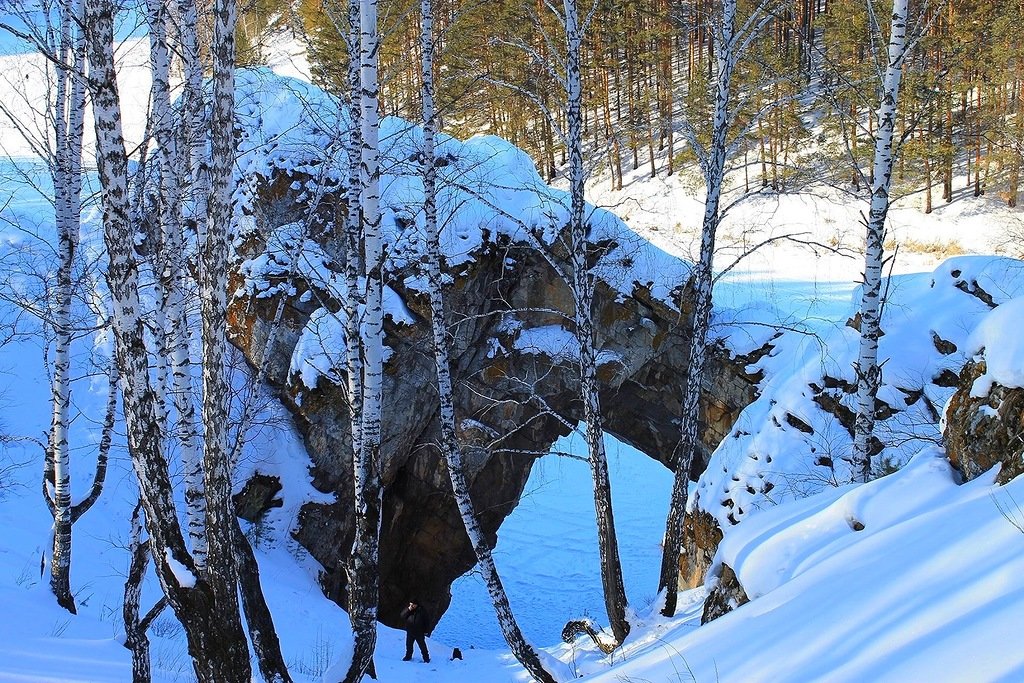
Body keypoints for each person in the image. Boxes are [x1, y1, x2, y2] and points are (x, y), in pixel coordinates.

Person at [400, 598, 432, 663]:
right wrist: (408, 609)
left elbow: (426, 621)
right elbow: (402, 616)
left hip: (419, 632)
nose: (412, 606)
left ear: (416, 604)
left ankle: (426, 658)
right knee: (409, 645)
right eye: (411, 604)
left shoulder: (422, 611)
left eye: (413, 605)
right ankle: (408, 656)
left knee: (422, 646)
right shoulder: (409, 610)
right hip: (410, 631)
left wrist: (426, 631)